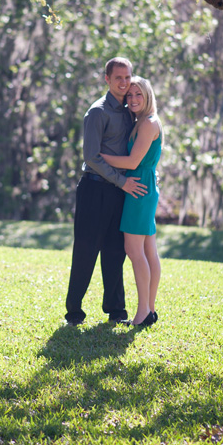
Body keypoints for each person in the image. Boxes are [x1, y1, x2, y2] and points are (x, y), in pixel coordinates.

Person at [64, 57, 147, 325]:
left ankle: (116, 311)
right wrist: (122, 181)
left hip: (119, 193)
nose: (124, 83)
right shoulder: (97, 112)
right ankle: (74, 313)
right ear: (107, 79)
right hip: (94, 190)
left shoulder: (130, 109)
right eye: (118, 78)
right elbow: (91, 157)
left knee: (115, 251)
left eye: (127, 77)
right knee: (86, 250)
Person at [101, 76, 163, 327]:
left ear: (148, 97)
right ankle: (150, 309)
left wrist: (98, 156)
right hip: (142, 186)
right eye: (130, 95)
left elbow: (132, 163)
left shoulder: (148, 123)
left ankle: (142, 313)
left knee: (135, 251)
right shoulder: (143, 122)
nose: (134, 99)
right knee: (148, 250)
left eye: (139, 95)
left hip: (138, 189)